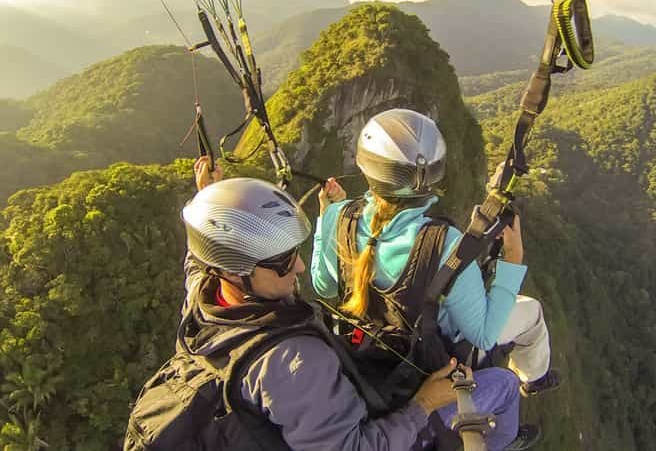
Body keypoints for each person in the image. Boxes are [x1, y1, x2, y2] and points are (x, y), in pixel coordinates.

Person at [125, 157, 524, 451]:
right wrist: (424, 404)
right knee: (504, 384)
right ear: (235, 272)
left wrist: (212, 199)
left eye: (294, 251)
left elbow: (196, 263)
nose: (297, 266)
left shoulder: (202, 304)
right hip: (379, 429)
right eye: (282, 261)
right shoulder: (295, 363)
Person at [311, 109, 561, 447]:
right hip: (430, 360)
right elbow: (484, 335)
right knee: (530, 311)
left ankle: (531, 382)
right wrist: (513, 262)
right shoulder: (443, 244)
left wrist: (327, 218)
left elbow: (323, 286)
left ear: (366, 166)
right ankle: (530, 384)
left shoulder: (337, 216)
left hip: (368, 355)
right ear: (432, 174)